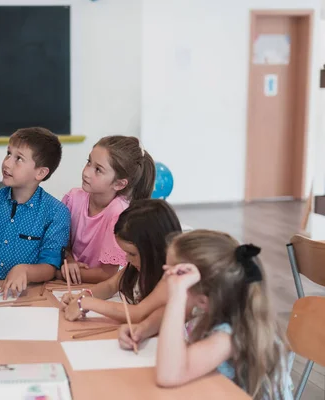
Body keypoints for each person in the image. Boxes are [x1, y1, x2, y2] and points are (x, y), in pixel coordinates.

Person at [152, 230, 293, 399]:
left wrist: (177, 296)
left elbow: (168, 375)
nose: (165, 279)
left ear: (203, 301)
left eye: (172, 275)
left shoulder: (228, 337)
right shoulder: (218, 313)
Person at [0, 127, 70, 299]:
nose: (7, 163)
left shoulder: (57, 212)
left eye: (19, 158)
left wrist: (23, 270)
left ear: (40, 172)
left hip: (31, 296)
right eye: (8, 153)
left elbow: (49, 266)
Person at [60, 199, 181, 322]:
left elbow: (138, 313)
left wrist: (86, 303)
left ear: (155, 248)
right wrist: (80, 297)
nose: (127, 258)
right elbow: (110, 286)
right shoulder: (138, 267)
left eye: (132, 254)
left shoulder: (173, 277)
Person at [60, 136, 155, 284]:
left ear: (119, 184)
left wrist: (59, 274)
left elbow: (106, 274)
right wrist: (69, 260)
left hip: (98, 290)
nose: (86, 172)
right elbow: (61, 243)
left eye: (98, 169)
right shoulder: (73, 198)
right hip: (67, 284)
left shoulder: (119, 214)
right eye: (88, 162)